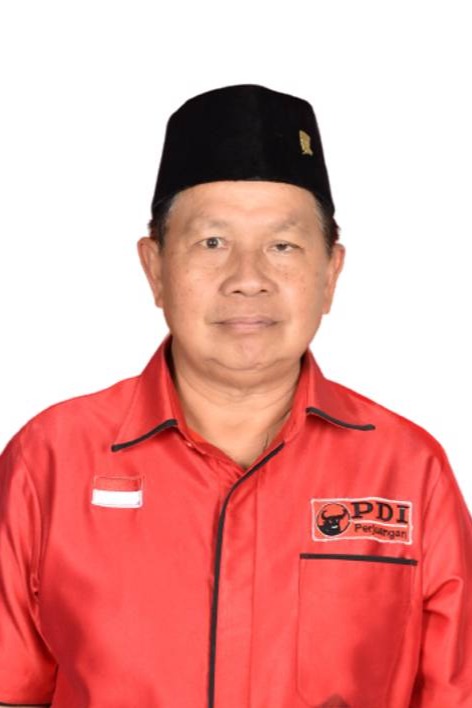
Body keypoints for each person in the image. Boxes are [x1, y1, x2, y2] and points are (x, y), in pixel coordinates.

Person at [0, 84, 471, 708]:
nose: (248, 279)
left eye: (283, 245)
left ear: (330, 274)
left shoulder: (408, 470)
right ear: (155, 268)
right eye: (212, 242)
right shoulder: (50, 460)